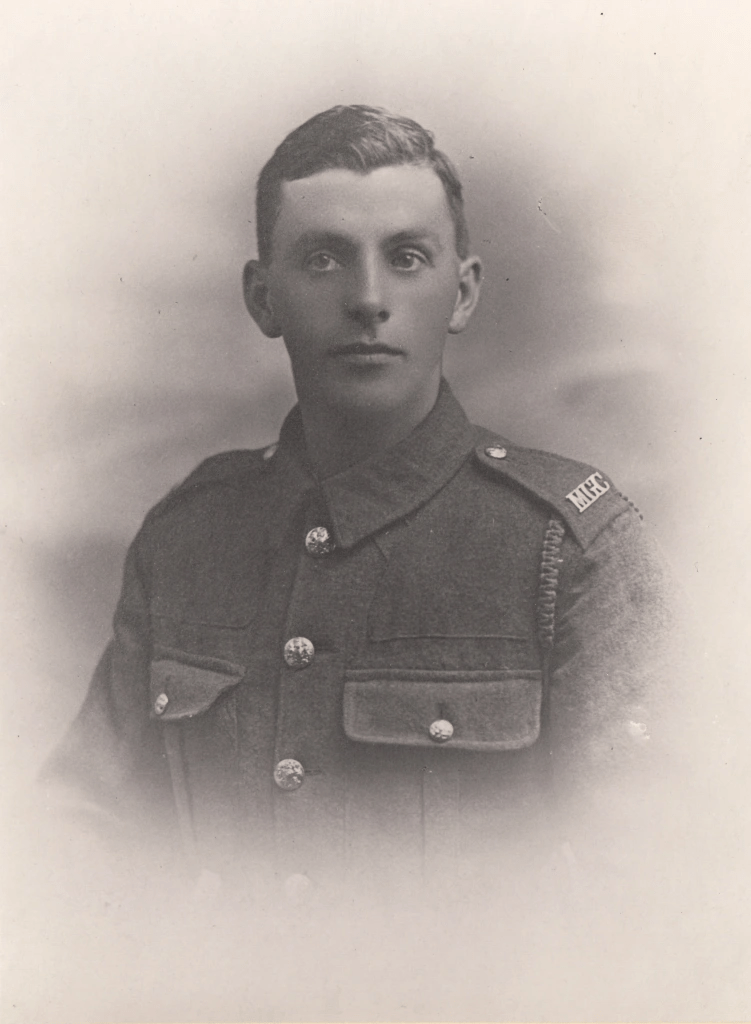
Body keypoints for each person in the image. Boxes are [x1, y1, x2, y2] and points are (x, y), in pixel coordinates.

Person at [43, 105, 679, 933]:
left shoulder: (568, 547)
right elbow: (73, 835)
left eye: (407, 258)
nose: (368, 300)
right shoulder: (189, 536)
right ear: (262, 298)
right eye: (323, 259)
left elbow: (645, 893)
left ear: (462, 292)